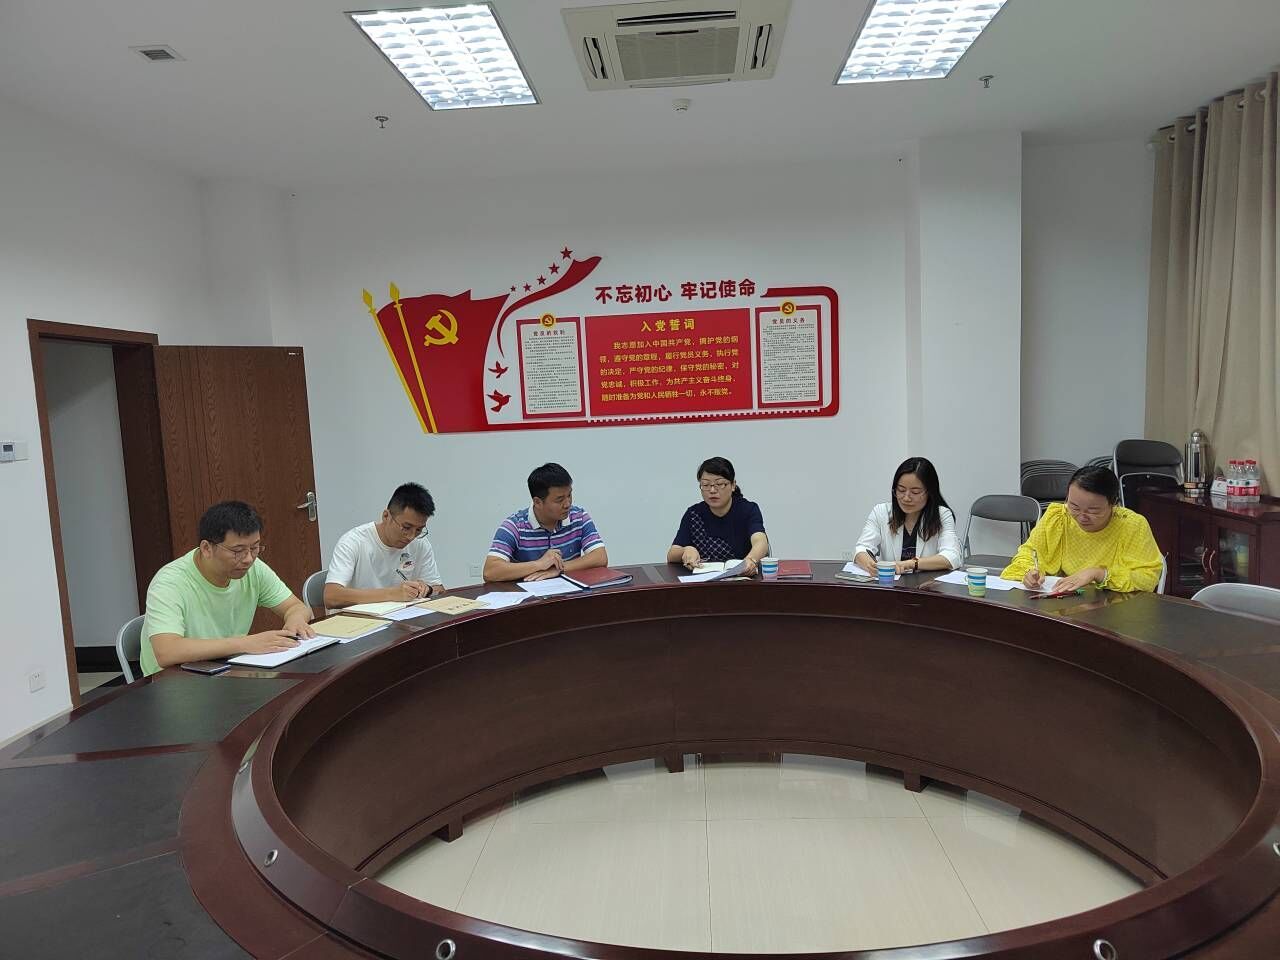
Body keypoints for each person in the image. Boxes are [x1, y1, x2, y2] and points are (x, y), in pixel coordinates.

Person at [140, 501, 315, 675]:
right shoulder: (170, 583)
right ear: (207, 548)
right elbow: (167, 651)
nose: (248, 558)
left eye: (254, 548)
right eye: (237, 551)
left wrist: (296, 620)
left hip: (224, 670)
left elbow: (295, 607)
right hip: (174, 681)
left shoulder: (253, 569)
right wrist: (245, 643)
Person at [1002, 464, 1162, 593]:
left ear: (1114, 504)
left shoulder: (1132, 525)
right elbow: (1029, 552)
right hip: (1062, 602)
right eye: (1074, 506)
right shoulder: (1059, 517)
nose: (1082, 517)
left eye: (1093, 511)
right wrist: (1030, 573)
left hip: (1113, 607)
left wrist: (1099, 574)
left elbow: (1147, 577)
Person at [324, 483, 444, 609]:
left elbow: (440, 590)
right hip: (357, 619)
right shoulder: (353, 542)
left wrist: (428, 589)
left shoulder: (420, 543)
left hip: (401, 617)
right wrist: (392, 594)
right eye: (406, 527)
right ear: (386, 516)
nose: (411, 536)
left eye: (419, 530)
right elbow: (331, 597)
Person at [483, 463, 608, 582]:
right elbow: (490, 571)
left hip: (569, 593)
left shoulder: (579, 517)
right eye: (559, 500)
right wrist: (539, 564)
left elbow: (600, 557)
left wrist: (559, 569)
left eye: (569, 495)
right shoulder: (515, 526)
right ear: (537, 502)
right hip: (529, 594)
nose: (567, 504)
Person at [853, 457, 961, 575]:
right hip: (890, 583)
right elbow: (861, 549)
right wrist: (871, 566)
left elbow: (951, 557)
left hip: (927, 584)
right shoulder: (881, 512)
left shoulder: (942, 515)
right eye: (901, 490)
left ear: (930, 492)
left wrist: (910, 564)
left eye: (915, 492)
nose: (906, 498)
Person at [667, 456, 769, 575]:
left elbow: (760, 541)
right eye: (705, 485)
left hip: (742, 578)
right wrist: (686, 550)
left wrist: (750, 561)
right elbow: (671, 554)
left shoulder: (748, 510)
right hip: (704, 580)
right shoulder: (693, 514)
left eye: (719, 484)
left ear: (733, 485)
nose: (712, 490)